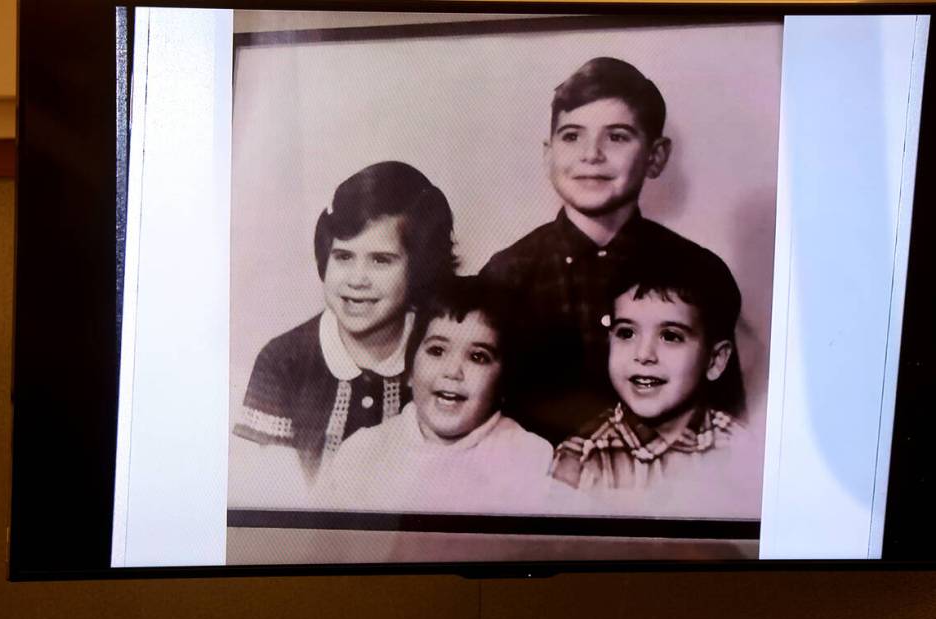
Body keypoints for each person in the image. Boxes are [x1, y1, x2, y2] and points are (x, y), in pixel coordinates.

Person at [479, 56, 719, 445]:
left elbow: (724, 425)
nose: (592, 154)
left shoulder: (699, 273)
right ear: (548, 153)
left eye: (617, 136)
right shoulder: (506, 275)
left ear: (656, 157)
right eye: (572, 136)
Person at [233, 161, 457, 487]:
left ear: (420, 269)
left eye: (381, 260)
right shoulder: (284, 361)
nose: (356, 279)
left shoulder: (439, 355)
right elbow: (266, 492)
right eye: (343, 256)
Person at [549, 247, 763, 519]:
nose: (643, 354)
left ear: (715, 360)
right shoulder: (580, 460)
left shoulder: (743, 451)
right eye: (626, 333)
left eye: (671, 336)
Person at [315, 276, 553, 514]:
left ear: (503, 382)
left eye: (478, 357)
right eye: (437, 350)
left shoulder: (529, 459)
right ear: (410, 371)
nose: (452, 371)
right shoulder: (362, 453)